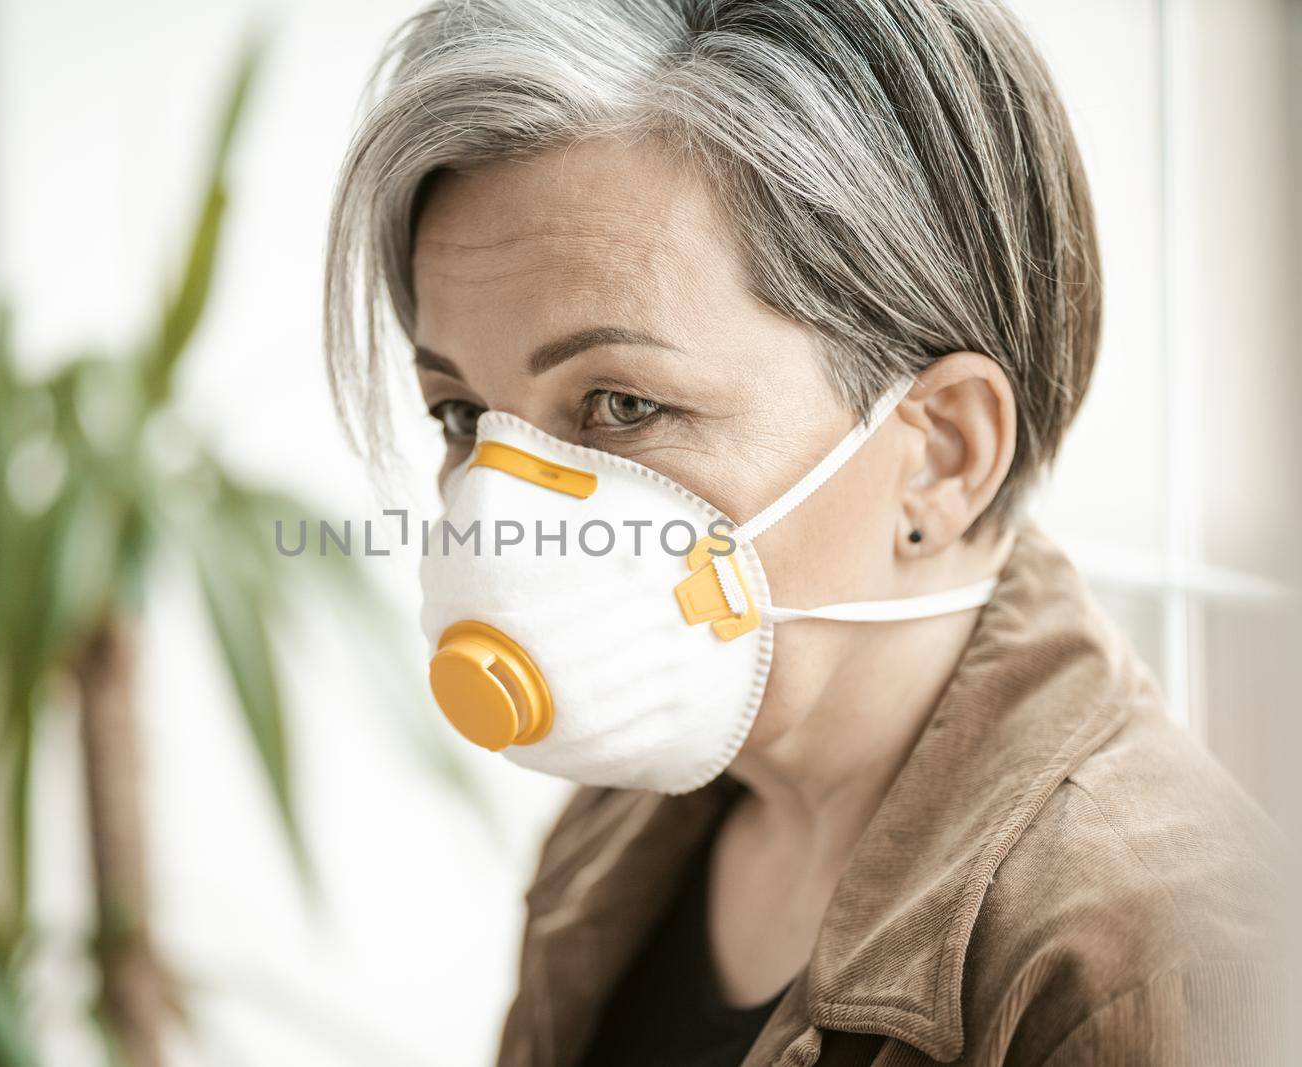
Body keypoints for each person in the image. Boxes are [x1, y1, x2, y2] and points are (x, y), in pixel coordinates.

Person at [323, 1, 1287, 1063]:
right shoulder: (629, 816)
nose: (506, 522)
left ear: (943, 454)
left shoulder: (1157, 962)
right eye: (462, 416)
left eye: (623, 405)